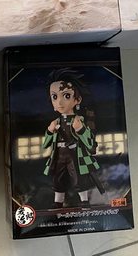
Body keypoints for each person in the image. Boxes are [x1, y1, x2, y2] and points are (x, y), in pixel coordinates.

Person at [42, 69, 102, 209]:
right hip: (59, 155)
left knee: (79, 178)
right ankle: (58, 203)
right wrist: (50, 130)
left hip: (76, 154)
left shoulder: (80, 120)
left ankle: (84, 201)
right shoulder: (55, 122)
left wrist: (80, 129)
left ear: (77, 100)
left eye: (66, 96)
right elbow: (45, 144)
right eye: (54, 97)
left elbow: (90, 142)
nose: (59, 102)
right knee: (58, 179)